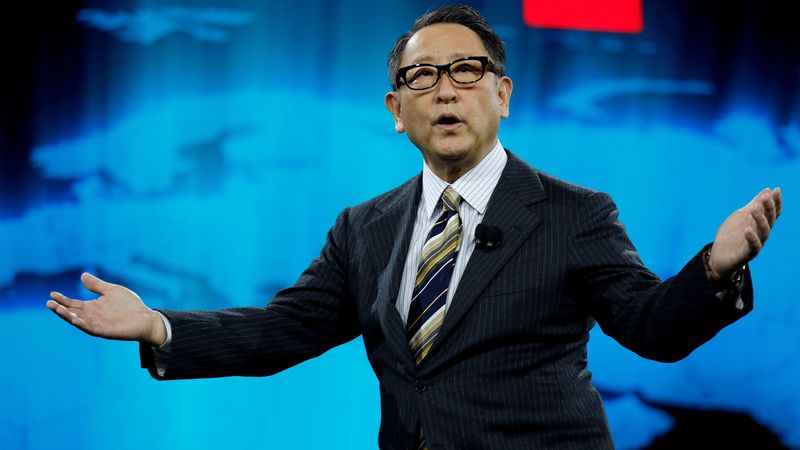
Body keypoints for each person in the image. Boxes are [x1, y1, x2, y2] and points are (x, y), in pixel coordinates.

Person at [47, 4, 782, 449]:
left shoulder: (574, 213)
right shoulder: (364, 227)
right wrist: (157, 327)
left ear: (502, 94)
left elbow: (652, 327)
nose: (444, 91)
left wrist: (715, 271)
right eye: (421, 77)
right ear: (397, 112)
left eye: (466, 71)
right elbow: (282, 331)